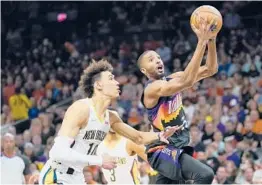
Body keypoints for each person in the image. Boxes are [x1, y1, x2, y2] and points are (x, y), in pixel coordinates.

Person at [39, 59, 182, 185]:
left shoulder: (111, 117)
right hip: (57, 174)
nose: (117, 82)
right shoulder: (81, 108)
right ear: (99, 85)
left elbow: (138, 137)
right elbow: (57, 152)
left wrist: (160, 135)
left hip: (76, 176)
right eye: (111, 78)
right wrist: (100, 161)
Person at [137, 18, 219, 184]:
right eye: (151, 60)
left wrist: (211, 39)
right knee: (205, 175)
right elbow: (187, 81)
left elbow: (211, 69)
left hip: (177, 147)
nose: (158, 60)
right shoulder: (151, 89)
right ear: (144, 70)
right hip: (161, 150)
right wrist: (201, 42)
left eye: (158, 57)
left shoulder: (173, 78)